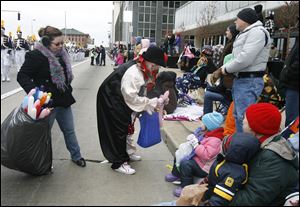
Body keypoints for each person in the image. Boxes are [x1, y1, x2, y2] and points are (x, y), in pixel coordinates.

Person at [17, 26, 86, 168]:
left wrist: (67, 87)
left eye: (62, 43)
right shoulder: (35, 55)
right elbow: (22, 75)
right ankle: (42, 162)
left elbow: (66, 77)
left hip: (63, 100)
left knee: (69, 130)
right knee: (43, 136)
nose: (61, 47)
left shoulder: (62, 54)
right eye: (57, 44)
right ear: (47, 42)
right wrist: (33, 91)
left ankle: (76, 156)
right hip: (46, 103)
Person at [96, 46, 169, 175]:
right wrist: (151, 102)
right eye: (155, 64)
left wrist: (157, 99)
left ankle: (128, 153)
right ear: (147, 60)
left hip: (120, 97)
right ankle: (119, 162)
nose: (156, 68)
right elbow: (131, 97)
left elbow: (144, 89)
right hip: (111, 98)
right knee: (120, 128)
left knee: (128, 126)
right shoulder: (133, 73)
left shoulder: (143, 67)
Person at [212, 8, 271, 132]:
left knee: (244, 119)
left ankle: (243, 148)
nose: (235, 22)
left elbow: (245, 58)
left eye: (237, 19)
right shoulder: (247, 33)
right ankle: (240, 145)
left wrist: (223, 70)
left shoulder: (257, 32)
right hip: (243, 80)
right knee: (239, 117)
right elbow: (238, 58)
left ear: (245, 20)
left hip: (249, 81)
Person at [228, 103, 299, 205]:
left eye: (245, 119)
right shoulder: (259, 145)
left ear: (253, 127)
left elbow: (249, 201)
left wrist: (217, 195)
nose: (242, 122)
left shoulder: (273, 160)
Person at [165, 112, 224, 197]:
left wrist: (196, 145)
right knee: (179, 152)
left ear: (208, 126)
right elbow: (196, 139)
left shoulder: (215, 140)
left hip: (204, 167)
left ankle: (185, 187)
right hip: (198, 159)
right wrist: (192, 138)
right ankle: (176, 174)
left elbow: (207, 155)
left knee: (186, 164)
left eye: (203, 122)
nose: (200, 123)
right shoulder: (204, 133)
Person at [203, 132, 260, 206]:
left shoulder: (234, 174)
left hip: (212, 196)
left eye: (227, 146)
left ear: (234, 152)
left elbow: (220, 198)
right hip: (209, 188)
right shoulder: (227, 160)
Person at [204, 24, 239, 115]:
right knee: (208, 88)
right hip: (225, 81)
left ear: (232, 32)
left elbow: (228, 83)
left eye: (228, 30)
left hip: (227, 85)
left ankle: (207, 117)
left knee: (208, 92)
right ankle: (207, 116)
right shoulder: (230, 43)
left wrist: (221, 71)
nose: (226, 32)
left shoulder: (233, 45)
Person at [280, 21, 299, 127]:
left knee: (292, 121)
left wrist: (286, 74)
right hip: (293, 85)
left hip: (294, 86)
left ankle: (290, 142)